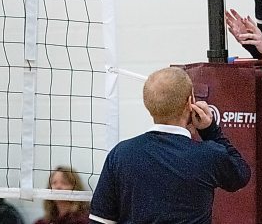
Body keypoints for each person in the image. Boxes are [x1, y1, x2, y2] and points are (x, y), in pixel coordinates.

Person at [89, 67, 251, 224]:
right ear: (191, 102)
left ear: (147, 104)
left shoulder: (120, 154)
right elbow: (241, 175)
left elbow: (100, 220)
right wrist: (210, 130)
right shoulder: (209, 155)